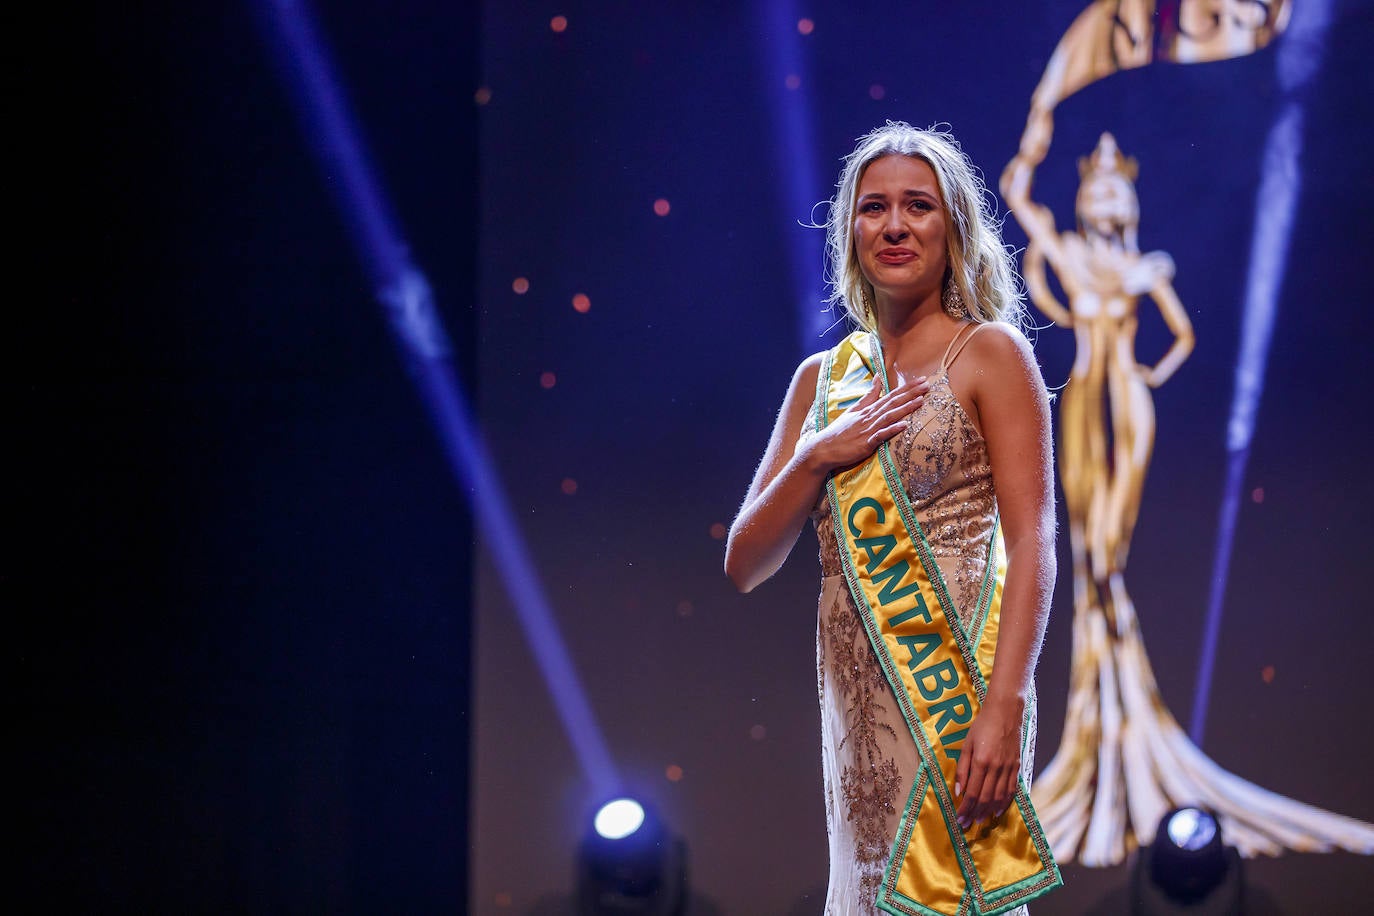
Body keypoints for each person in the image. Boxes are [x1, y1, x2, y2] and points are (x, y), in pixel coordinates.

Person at [725, 122, 1061, 915]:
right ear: (850, 229)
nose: (896, 225)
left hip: (959, 689)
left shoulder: (992, 353)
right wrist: (816, 455)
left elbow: (1033, 539)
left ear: (955, 229)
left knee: (946, 896)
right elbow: (745, 562)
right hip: (856, 697)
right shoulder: (823, 380)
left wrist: (1005, 703)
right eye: (874, 207)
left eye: (919, 205)